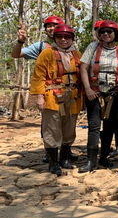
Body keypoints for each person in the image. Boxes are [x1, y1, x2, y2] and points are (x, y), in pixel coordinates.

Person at [13, 16, 78, 163]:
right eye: (49, 26)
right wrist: (21, 41)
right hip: (51, 92)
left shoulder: (73, 50)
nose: (52, 28)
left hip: (69, 93)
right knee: (50, 124)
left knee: (68, 124)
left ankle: (65, 154)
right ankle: (51, 154)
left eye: (56, 26)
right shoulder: (42, 48)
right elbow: (18, 56)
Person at [30, 24, 83, 175]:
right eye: (60, 37)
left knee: (69, 128)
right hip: (53, 96)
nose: (64, 40)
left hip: (73, 96)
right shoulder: (46, 54)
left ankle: (64, 158)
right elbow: (38, 76)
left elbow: (82, 75)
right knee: (52, 128)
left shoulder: (77, 54)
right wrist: (39, 97)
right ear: (55, 38)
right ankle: (53, 162)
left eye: (67, 37)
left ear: (72, 38)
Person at [78, 20, 118, 172]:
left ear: (116, 34)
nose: (106, 34)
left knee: (109, 127)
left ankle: (104, 157)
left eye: (109, 32)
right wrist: (87, 89)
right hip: (95, 93)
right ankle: (90, 161)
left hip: (114, 95)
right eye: (103, 32)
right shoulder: (93, 48)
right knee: (93, 127)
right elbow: (83, 67)